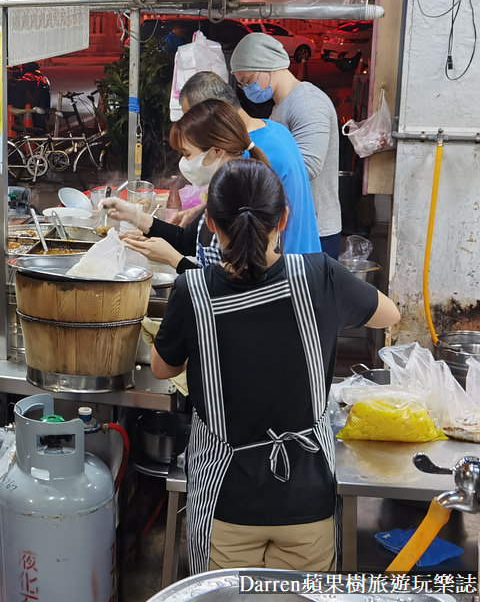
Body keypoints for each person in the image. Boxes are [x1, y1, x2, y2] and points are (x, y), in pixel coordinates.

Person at [150, 159, 399, 572]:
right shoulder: (319, 275)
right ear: (283, 218)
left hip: (226, 502)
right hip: (306, 498)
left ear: (210, 222)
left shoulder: (191, 290)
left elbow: (161, 368)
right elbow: (388, 315)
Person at [102, 99, 271, 272]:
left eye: (187, 154)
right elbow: (186, 241)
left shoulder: (243, 199)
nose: (183, 162)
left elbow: (235, 284)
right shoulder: (221, 190)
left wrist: (173, 259)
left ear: (217, 151)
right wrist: (133, 215)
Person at [178, 71, 320, 254]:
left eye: (192, 119)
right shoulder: (274, 129)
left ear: (213, 112)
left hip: (284, 267)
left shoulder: (241, 158)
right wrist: (201, 210)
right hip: (307, 254)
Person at [230, 32, 341, 257]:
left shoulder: (308, 102)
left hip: (316, 231)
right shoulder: (280, 106)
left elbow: (307, 166)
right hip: (291, 227)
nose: (247, 89)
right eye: (241, 85)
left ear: (267, 66)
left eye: (248, 81)